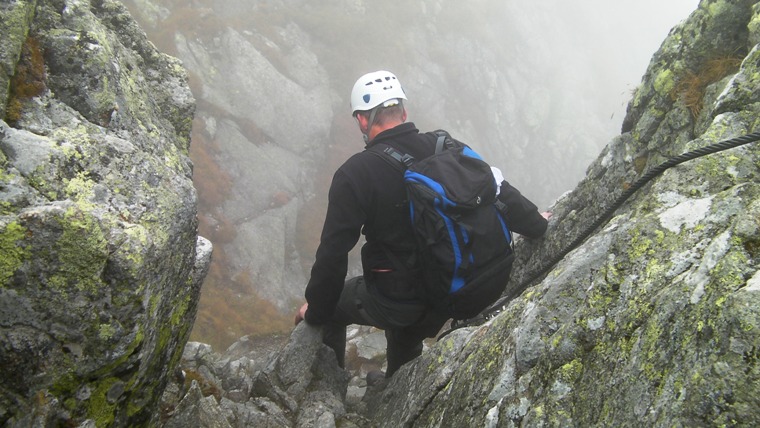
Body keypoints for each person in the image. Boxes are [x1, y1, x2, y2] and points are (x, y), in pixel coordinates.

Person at [294, 70, 550, 378]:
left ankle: (328, 388)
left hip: (400, 301)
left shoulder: (355, 174)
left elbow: (333, 253)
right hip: (457, 288)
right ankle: (398, 387)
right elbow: (497, 189)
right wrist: (536, 224)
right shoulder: (445, 144)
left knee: (332, 309)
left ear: (362, 120)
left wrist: (316, 309)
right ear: (404, 111)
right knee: (406, 330)